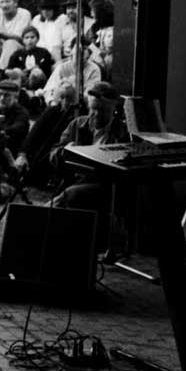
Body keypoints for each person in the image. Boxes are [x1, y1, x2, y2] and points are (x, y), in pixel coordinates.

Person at [48, 81, 131, 250]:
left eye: (103, 111)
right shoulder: (78, 124)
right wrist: (64, 152)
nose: (96, 114)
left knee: (68, 197)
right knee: (64, 199)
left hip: (105, 186)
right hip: (74, 180)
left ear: (114, 110)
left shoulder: (121, 132)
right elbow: (53, 153)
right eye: (93, 109)